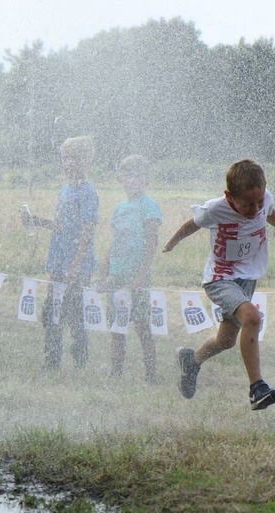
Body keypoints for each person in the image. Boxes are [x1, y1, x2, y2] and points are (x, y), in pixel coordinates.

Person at [162, 158, 275, 410]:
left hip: (247, 278)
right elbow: (192, 224)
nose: (255, 209)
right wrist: (172, 243)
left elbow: (269, 212)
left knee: (226, 340)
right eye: (247, 204)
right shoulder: (216, 209)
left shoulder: (264, 199)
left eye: (258, 202)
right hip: (221, 278)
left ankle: (191, 361)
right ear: (230, 197)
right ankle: (257, 388)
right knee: (252, 317)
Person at [22, 136, 99, 370]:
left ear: (87, 162)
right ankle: (51, 361)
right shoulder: (64, 190)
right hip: (57, 261)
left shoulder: (88, 194)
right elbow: (60, 226)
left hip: (77, 265)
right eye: (65, 158)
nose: (69, 163)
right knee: (52, 311)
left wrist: (75, 266)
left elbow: (87, 233)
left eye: (74, 158)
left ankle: (79, 362)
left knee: (75, 315)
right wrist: (34, 220)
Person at [98, 155, 162, 383]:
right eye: (126, 175)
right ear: (120, 179)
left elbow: (152, 244)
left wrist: (141, 275)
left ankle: (151, 374)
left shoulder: (149, 207)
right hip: (116, 274)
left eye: (135, 175)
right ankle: (116, 371)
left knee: (143, 326)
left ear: (145, 180)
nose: (130, 180)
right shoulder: (120, 208)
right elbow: (113, 243)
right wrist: (103, 272)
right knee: (117, 324)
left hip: (137, 276)